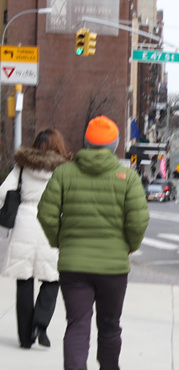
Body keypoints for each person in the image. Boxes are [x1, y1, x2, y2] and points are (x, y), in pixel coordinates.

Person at [37, 116, 150, 370]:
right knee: (110, 326)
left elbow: (46, 213)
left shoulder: (64, 173)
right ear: (115, 145)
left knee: (77, 325)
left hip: (73, 266)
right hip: (113, 268)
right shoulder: (127, 177)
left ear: (86, 143)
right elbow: (138, 220)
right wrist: (129, 245)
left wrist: (60, 240)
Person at [0, 129, 71, 349]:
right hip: (52, 224)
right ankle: (40, 323)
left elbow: (4, 191)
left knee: (25, 279)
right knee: (52, 277)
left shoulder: (23, 165)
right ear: (58, 145)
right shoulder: (65, 168)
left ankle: (24, 337)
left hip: (25, 222)